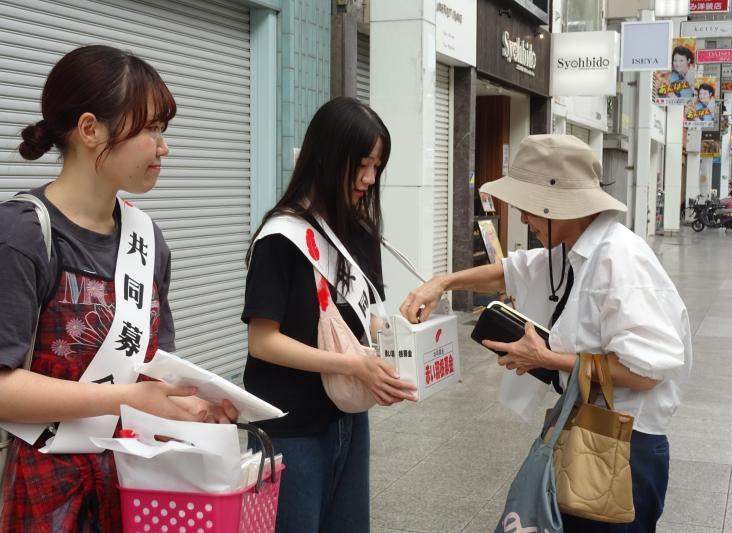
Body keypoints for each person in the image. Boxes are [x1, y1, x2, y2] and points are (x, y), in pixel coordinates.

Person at [401, 135, 692, 533]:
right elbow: (512, 271)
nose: (524, 219)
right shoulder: (576, 251)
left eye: (529, 207)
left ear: (559, 204)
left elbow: (645, 372)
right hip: (590, 434)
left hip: (623, 449)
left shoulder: (619, 259)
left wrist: (545, 358)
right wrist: (442, 283)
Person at [0, 45, 238, 531]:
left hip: (136, 483)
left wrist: (192, 405)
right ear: (90, 129)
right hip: (43, 492)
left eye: (163, 130)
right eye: (151, 129)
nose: (163, 147)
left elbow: (154, 368)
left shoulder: (148, 240)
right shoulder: (23, 234)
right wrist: (124, 400)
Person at [242, 96, 417, 533]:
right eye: (361, 164)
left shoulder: (361, 233)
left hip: (347, 416)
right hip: (289, 425)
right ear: (327, 156)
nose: (369, 178)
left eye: (377, 166)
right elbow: (263, 342)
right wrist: (352, 365)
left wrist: (391, 355)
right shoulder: (280, 237)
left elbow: (368, 318)